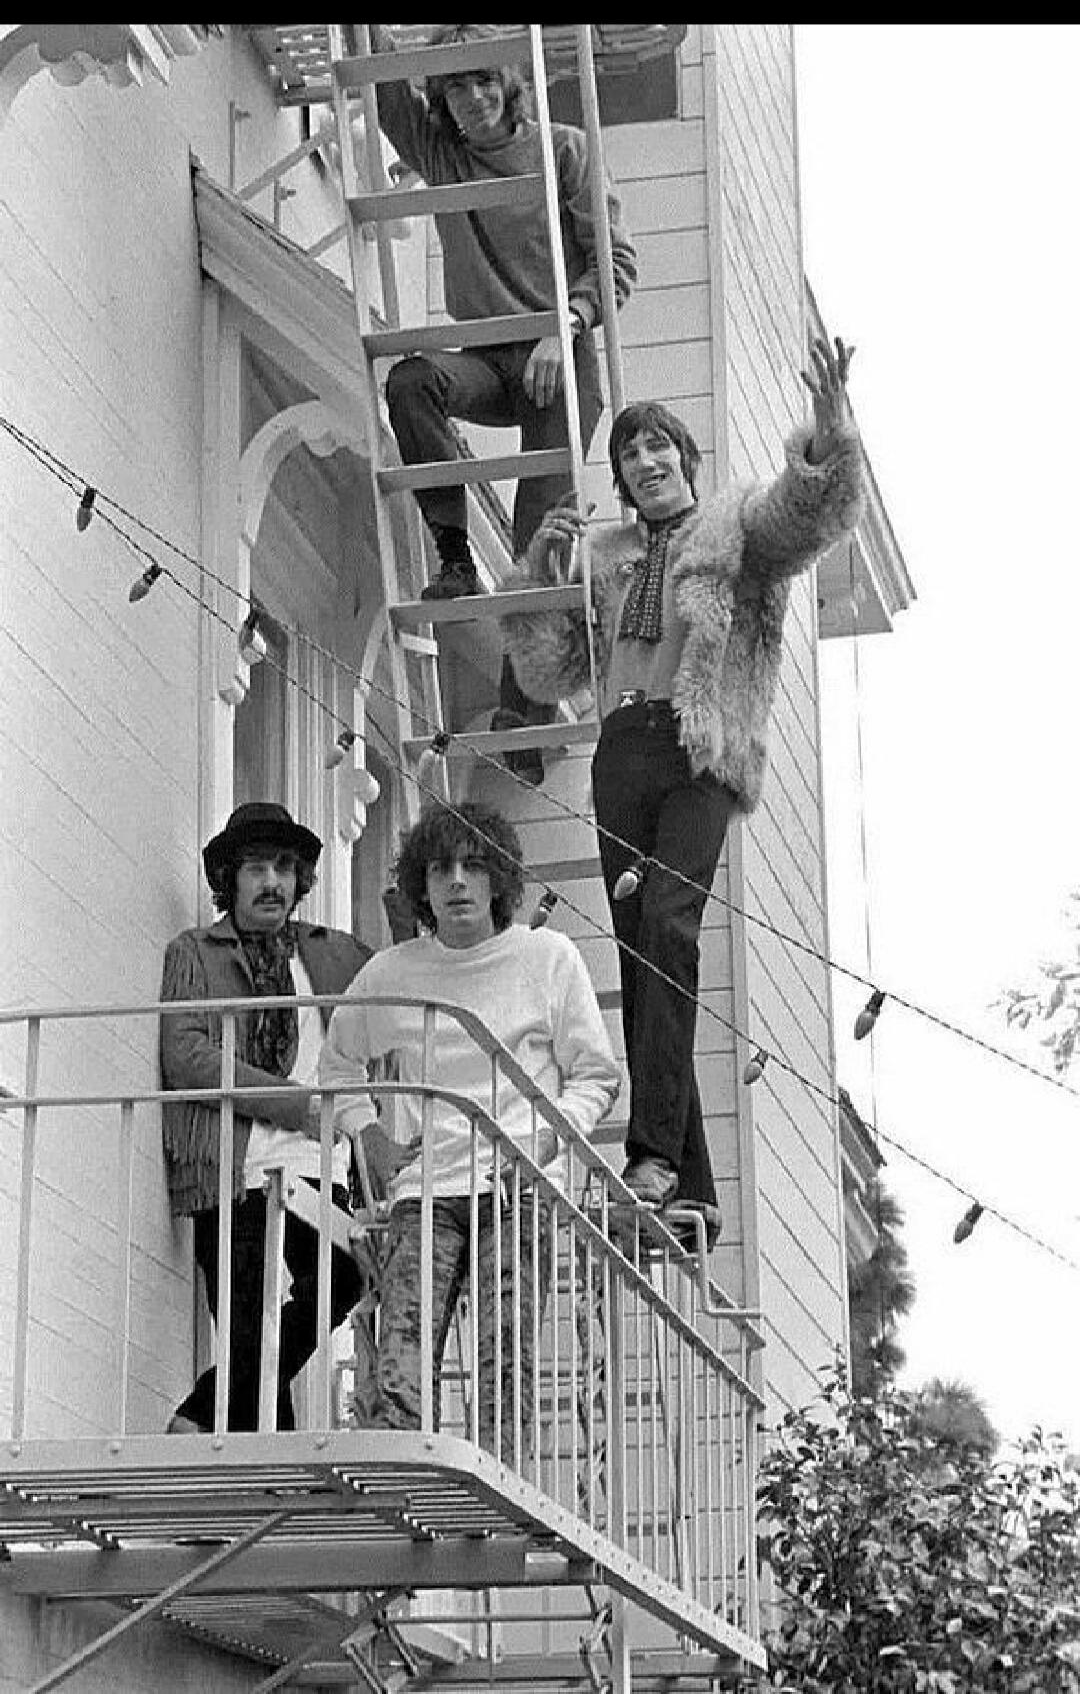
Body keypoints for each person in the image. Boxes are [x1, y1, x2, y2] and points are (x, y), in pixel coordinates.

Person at [500, 335, 864, 1222]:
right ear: (621, 476)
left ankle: (653, 1157)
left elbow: (804, 515)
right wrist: (539, 581)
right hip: (621, 751)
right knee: (645, 955)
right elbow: (550, 675)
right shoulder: (607, 551)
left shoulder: (735, 527)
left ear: (685, 457)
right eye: (630, 451)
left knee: (669, 922)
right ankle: (684, 1189)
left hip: (700, 749)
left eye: (658, 444)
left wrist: (828, 438)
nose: (645, 459)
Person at [367, 21, 638, 778]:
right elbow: (387, 87)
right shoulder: (445, 154)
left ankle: (526, 715)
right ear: (443, 99)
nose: (476, 97)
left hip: (560, 361)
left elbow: (615, 261)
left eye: (486, 80)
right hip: (490, 357)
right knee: (413, 381)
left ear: (509, 85)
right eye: (457, 85)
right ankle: (454, 555)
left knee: (539, 531)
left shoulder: (564, 149)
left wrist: (567, 324)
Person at [319, 801, 620, 1456]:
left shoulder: (546, 957)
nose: (457, 881)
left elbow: (596, 1075)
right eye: (440, 869)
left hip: (517, 1191)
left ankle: (499, 1504)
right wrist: (369, 1134)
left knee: (504, 1362)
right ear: (421, 887)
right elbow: (337, 1063)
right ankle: (399, 1495)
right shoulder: (394, 971)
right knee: (398, 1359)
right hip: (425, 1192)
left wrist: (543, 1138)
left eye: (474, 865)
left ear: (498, 879)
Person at [159, 802, 370, 1433]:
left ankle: (198, 1414)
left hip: (319, 1164)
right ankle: (266, 1478)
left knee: (345, 1276)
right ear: (230, 878)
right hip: (232, 1164)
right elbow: (189, 1057)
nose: (273, 882)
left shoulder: (333, 955)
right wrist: (293, 1104)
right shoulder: (195, 951)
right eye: (256, 868)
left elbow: (402, 998)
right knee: (253, 1325)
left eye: (284, 867)